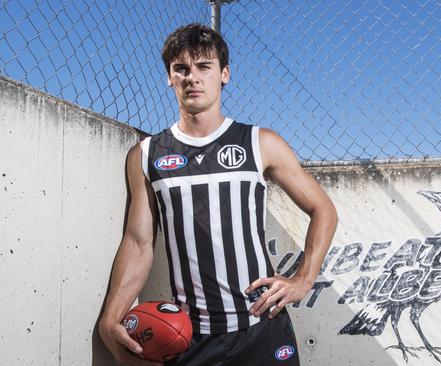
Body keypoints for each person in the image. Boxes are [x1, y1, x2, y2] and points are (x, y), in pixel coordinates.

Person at [98, 23, 337, 366]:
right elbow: (138, 243)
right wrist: (111, 318)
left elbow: (323, 209)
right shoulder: (146, 155)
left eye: (204, 67)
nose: (192, 77)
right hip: (190, 337)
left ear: (224, 74)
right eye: (181, 68)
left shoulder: (260, 142)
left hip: (262, 326)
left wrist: (303, 279)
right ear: (169, 77)